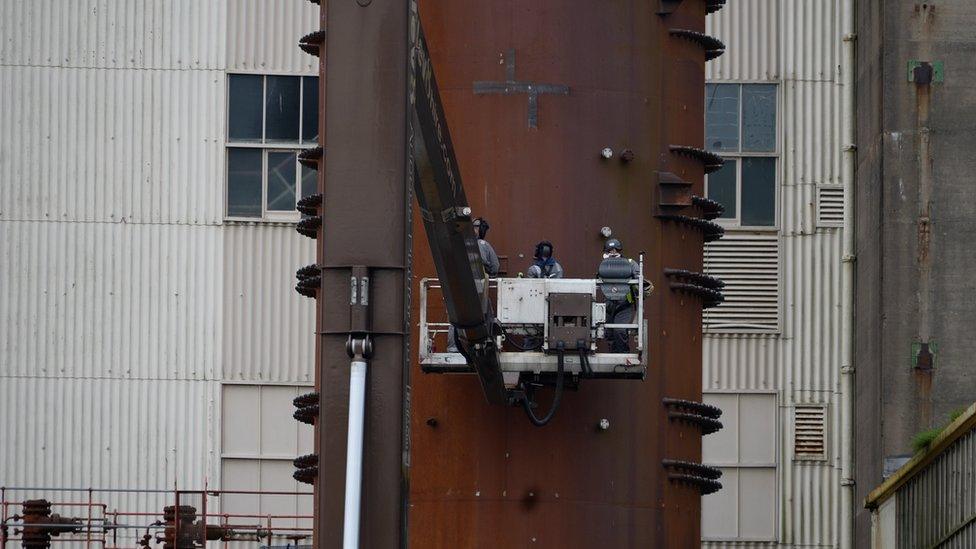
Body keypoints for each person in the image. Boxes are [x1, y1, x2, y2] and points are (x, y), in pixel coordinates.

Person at [447, 216, 499, 352]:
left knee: (457, 316)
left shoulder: (461, 244)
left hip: (460, 285)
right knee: (486, 314)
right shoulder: (483, 245)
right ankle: (485, 344)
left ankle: (453, 347)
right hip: (478, 287)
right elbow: (494, 267)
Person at [598, 238, 650, 352]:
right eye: (610, 250)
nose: (613, 252)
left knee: (620, 330)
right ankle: (613, 357)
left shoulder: (629, 263)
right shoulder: (604, 265)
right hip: (609, 305)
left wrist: (642, 287)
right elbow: (598, 278)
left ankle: (623, 356)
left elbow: (639, 279)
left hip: (624, 304)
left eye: (615, 250)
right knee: (609, 333)